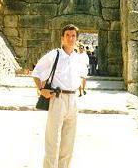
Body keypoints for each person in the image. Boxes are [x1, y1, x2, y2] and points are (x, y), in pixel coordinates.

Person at [32, 24, 88, 168]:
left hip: (73, 100)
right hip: (57, 98)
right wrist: (41, 89)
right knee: (53, 142)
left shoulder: (79, 58)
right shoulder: (54, 54)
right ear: (62, 38)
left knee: (68, 143)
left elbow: (82, 76)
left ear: (77, 39)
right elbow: (36, 72)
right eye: (67, 35)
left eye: (73, 36)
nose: (70, 38)